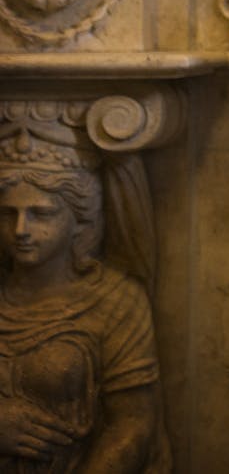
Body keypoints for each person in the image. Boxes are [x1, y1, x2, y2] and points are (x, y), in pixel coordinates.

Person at [0, 143, 164, 474]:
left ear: (78, 218)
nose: (21, 230)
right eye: (7, 214)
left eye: (41, 213)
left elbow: (133, 425)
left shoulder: (115, 301)